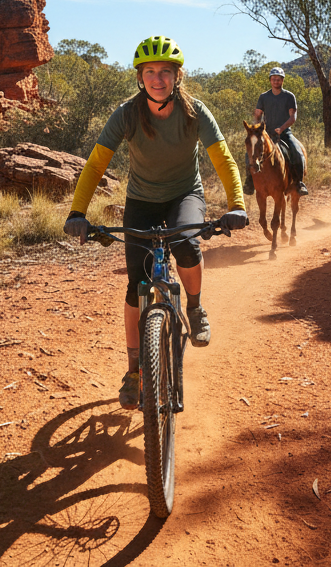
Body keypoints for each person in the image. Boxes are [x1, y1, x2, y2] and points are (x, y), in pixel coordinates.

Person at [63, 35, 247, 411]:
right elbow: (97, 163)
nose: (158, 79)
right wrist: (77, 212)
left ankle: (194, 308)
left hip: (185, 195)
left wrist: (237, 204)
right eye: (150, 72)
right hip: (142, 201)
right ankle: (135, 371)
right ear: (140, 77)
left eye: (165, 71)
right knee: (136, 285)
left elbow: (223, 159)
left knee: (186, 244)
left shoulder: (196, 112)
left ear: (178, 76)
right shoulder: (127, 113)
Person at [243, 67, 309, 197]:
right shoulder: (264, 97)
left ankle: (298, 183)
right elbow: (257, 114)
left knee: (297, 152)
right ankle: (249, 182)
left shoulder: (289, 96)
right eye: (273, 79)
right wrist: (255, 129)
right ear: (270, 80)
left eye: (278, 79)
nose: (276, 81)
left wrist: (282, 128)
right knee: (249, 153)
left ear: (282, 80)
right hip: (266, 134)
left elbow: (293, 117)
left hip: (285, 133)